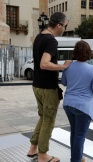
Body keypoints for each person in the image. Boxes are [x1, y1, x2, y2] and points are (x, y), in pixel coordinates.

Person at [27, 12, 72, 162]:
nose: (65, 29)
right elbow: (44, 63)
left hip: (37, 85)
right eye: (65, 26)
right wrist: (63, 66)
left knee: (43, 117)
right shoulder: (51, 41)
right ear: (59, 25)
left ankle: (33, 148)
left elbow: (37, 62)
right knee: (49, 120)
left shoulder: (39, 37)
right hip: (47, 88)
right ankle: (43, 155)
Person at [61, 41, 93, 162]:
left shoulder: (68, 66)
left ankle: (77, 157)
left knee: (74, 133)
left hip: (69, 103)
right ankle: (76, 159)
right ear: (88, 53)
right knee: (80, 135)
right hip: (83, 106)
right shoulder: (91, 69)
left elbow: (64, 82)